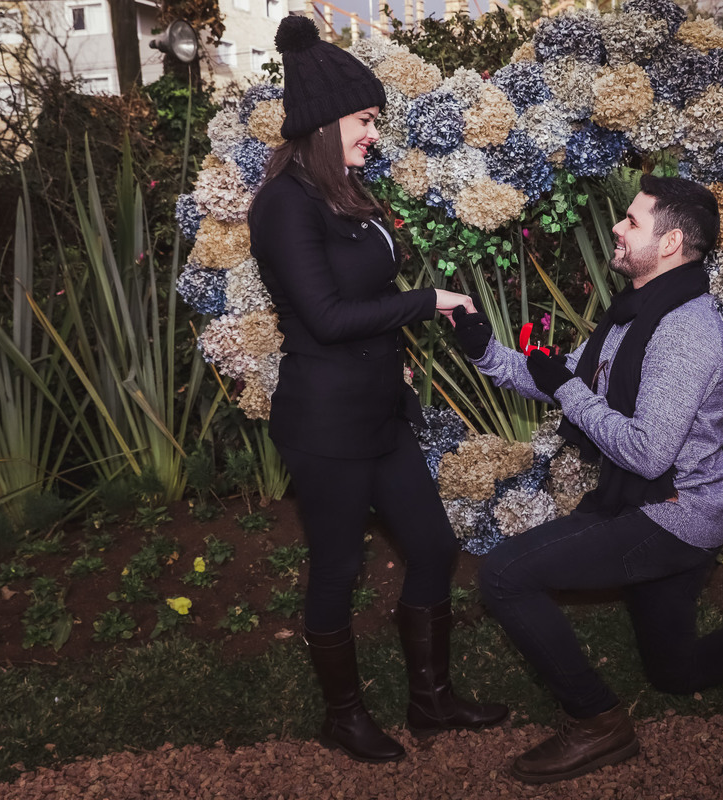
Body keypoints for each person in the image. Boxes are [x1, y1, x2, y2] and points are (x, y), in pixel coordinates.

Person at [451, 175, 723, 784]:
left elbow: (647, 453)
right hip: (660, 505)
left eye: (632, 221)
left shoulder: (685, 331)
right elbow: (565, 377)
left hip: (670, 514)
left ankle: (597, 723)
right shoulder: (633, 315)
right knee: (676, 672)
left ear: (672, 241)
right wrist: (484, 349)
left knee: (504, 575)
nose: (617, 228)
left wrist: (568, 389)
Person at [247, 14, 506, 763]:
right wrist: (428, 301)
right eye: (365, 119)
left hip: (381, 411)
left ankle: (432, 702)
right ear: (325, 122)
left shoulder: (344, 192)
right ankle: (345, 717)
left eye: (375, 120)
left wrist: (395, 351)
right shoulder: (285, 203)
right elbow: (326, 316)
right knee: (338, 568)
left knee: (433, 546)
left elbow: (365, 295)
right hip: (326, 424)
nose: (373, 133)